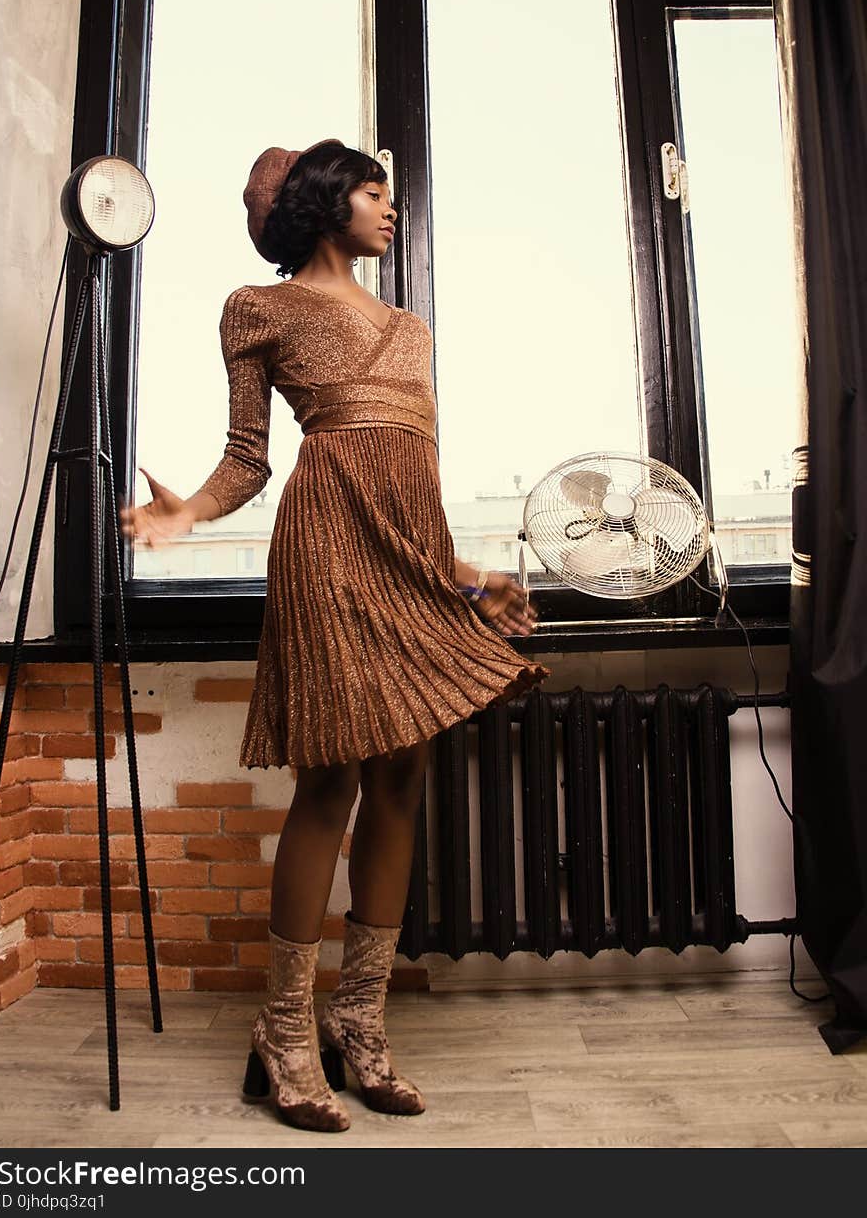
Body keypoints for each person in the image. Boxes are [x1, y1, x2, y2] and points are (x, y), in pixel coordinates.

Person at [120, 139, 551, 1132]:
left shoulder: (409, 328)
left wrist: (465, 578)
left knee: (404, 774)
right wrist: (183, 514)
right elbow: (246, 459)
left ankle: (360, 1025)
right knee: (332, 780)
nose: (388, 208)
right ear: (327, 203)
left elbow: (414, 480)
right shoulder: (258, 307)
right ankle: (284, 1027)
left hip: (405, 557)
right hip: (320, 547)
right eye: (371, 191)